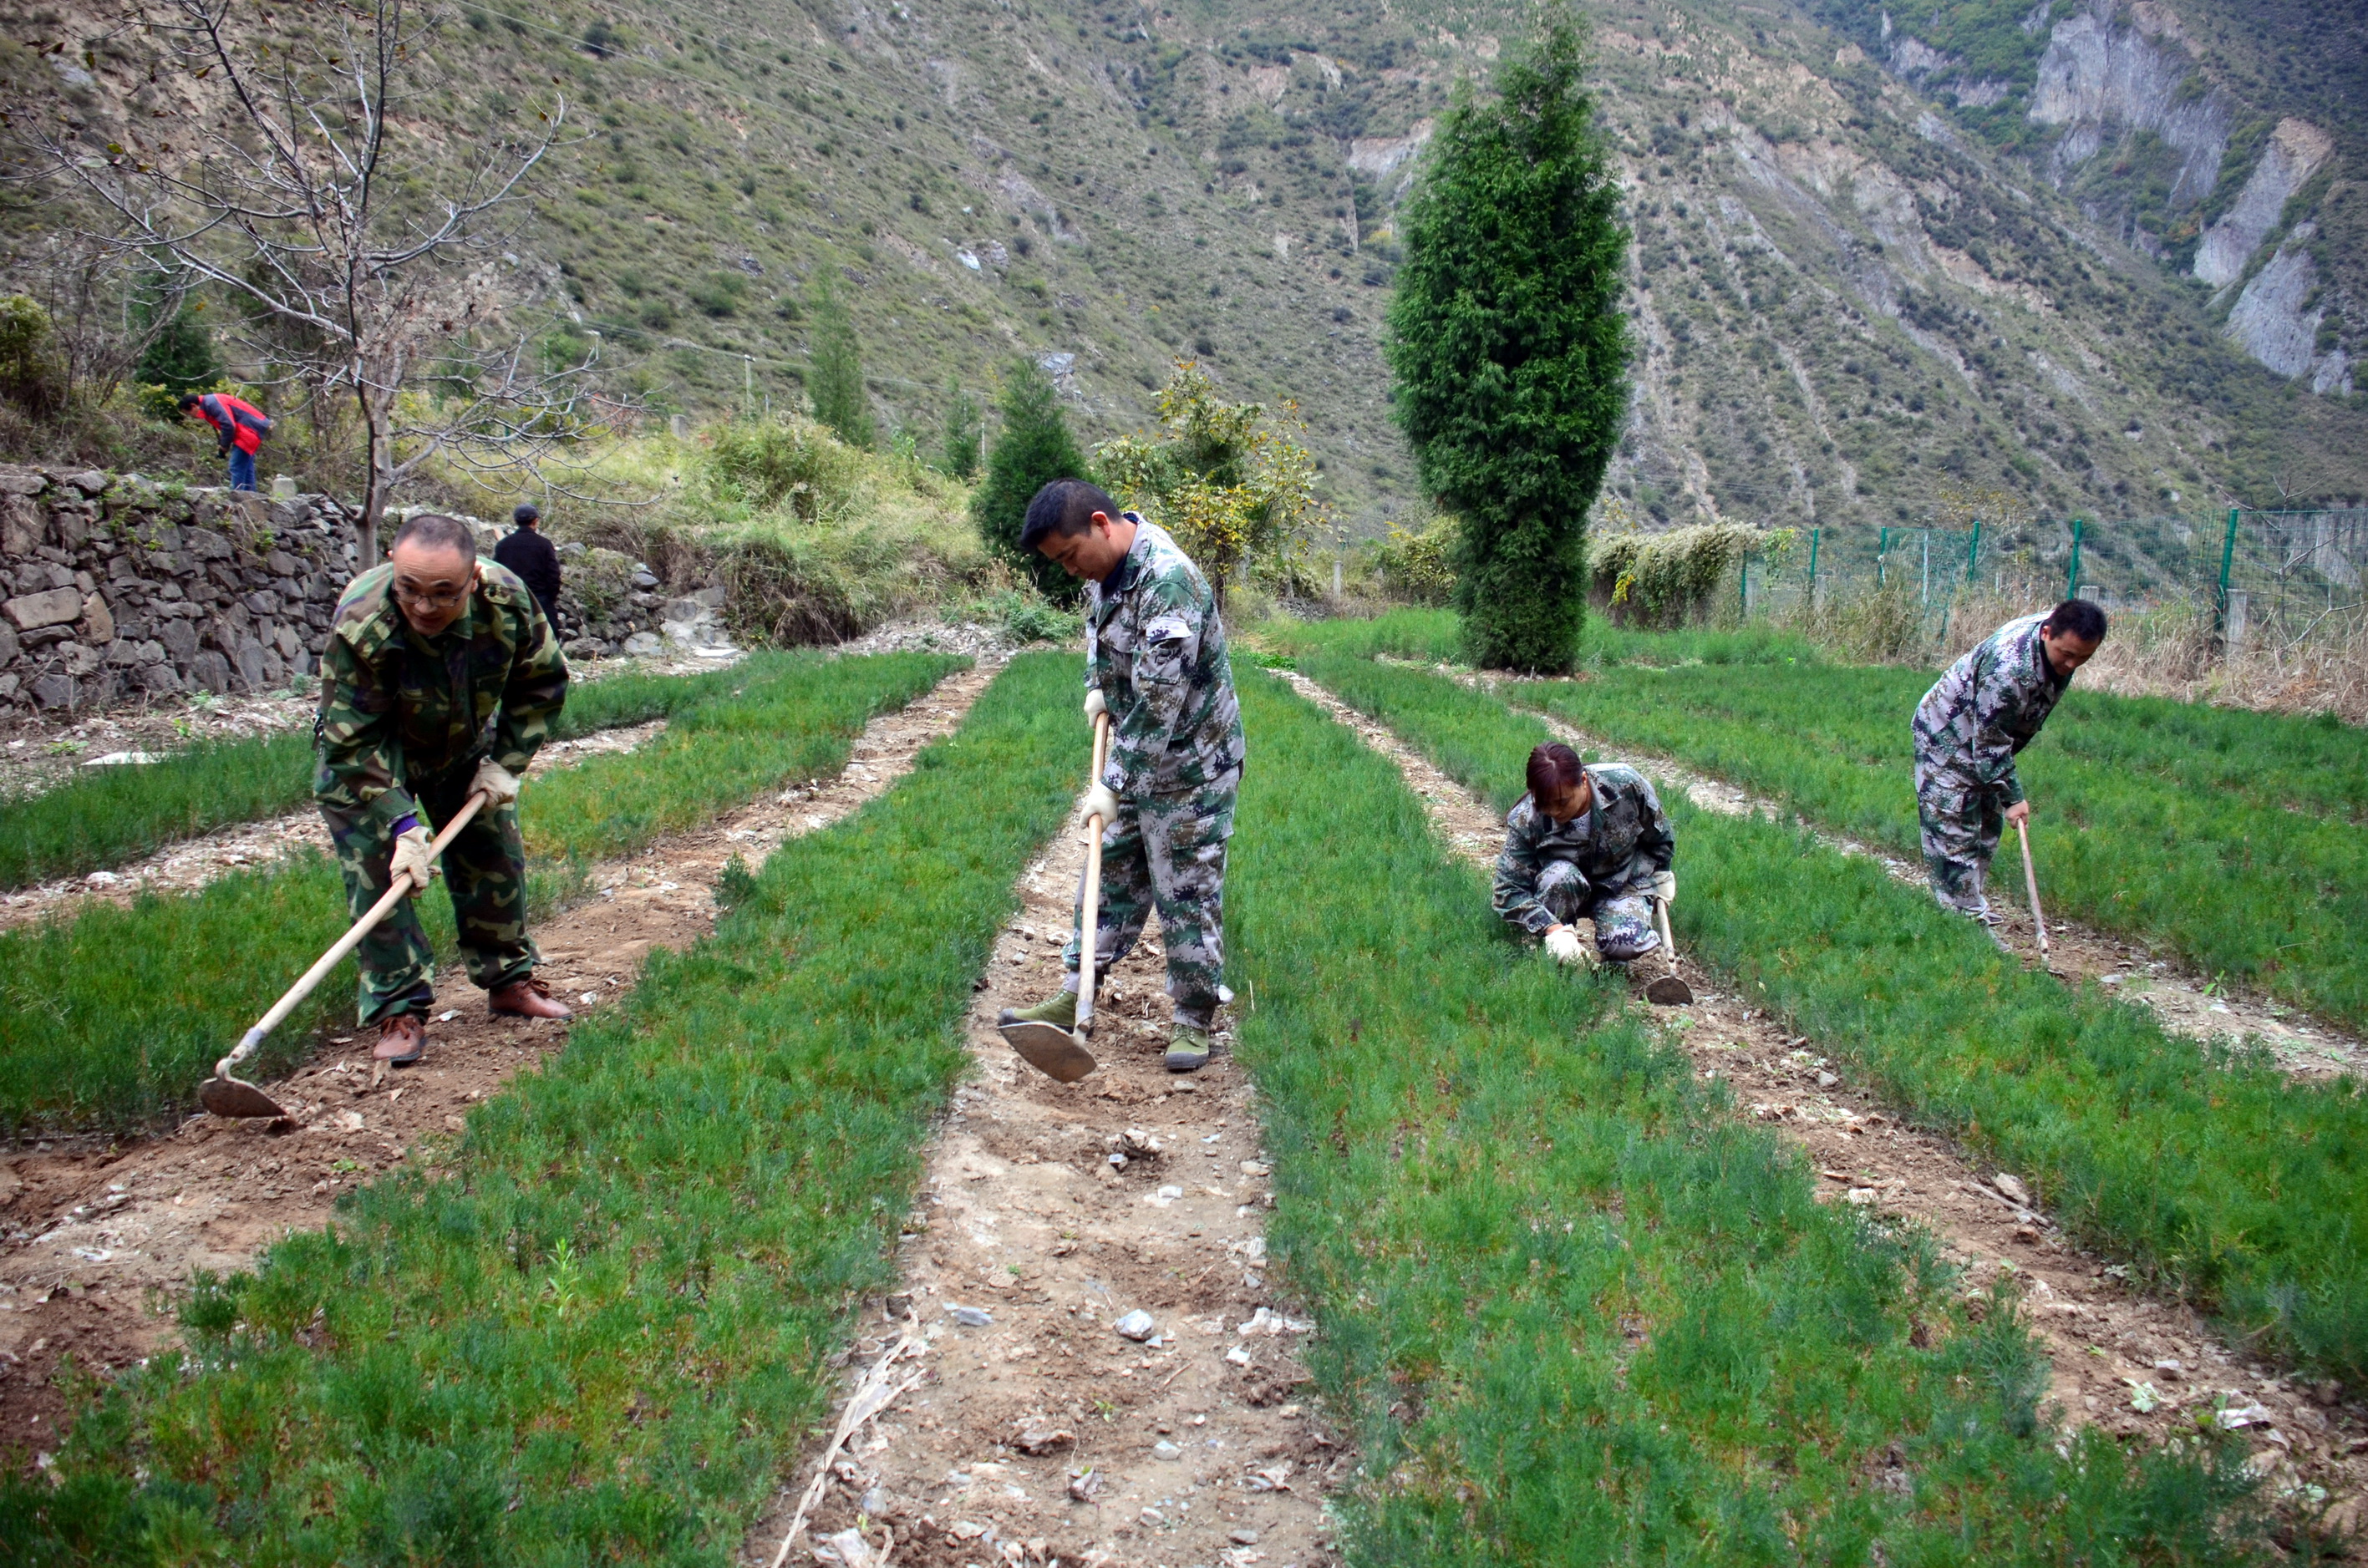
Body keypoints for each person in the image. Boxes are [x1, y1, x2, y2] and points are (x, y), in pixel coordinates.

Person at [998, 480, 1244, 1073]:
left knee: (1185, 890)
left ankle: (1193, 1019)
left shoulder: (1168, 579)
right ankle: (1076, 992)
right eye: (1058, 562)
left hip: (1192, 765)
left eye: (1069, 555)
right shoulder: (1105, 573)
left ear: (1102, 525)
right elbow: (1100, 633)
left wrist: (1112, 783)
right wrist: (1096, 685)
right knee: (1105, 874)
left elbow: (1161, 700)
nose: (1069, 570)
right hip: (1139, 750)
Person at [314, 512, 574, 1064]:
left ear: (472, 581)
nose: (424, 606)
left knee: (493, 854)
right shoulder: (364, 621)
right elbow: (350, 738)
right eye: (410, 589)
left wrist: (506, 763)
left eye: (442, 593)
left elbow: (543, 681)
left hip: (460, 746)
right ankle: (398, 1008)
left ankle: (509, 981)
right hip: (369, 760)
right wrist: (402, 823)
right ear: (392, 567)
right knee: (380, 877)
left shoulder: (506, 604)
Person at [1911, 598, 2107, 931]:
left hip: (1986, 735)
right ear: (2046, 633)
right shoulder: (2010, 670)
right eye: (2067, 654)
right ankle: (1961, 925)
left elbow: (1994, 741)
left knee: (1988, 826)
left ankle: (1968, 903)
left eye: (2084, 658)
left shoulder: (2059, 630)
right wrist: (2014, 798)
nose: (2072, 665)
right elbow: (1989, 743)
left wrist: (2002, 797)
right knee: (1954, 829)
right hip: (1947, 735)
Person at [1494, 742, 1676, 968]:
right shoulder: (1526, 819)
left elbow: (1658, 833)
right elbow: (1508, 890)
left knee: (1626, 943)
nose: (1554, 812)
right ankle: (1559, 957)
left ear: (1583, 781)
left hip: (1620, 883)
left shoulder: (1624, 784)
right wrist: (1552, 930)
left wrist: (1662, 871)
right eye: (1544, 804)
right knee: (1559, 875)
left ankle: (1613, 962)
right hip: (1562, 888)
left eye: (1562, 802)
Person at [178, 390, 272, 492]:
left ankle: (237, 497)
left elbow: (228, 425)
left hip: (249, 430)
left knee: (236, 465)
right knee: (246, 467)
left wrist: (224, 446)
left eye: (188, 413)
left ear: (193, 406)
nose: (190, 416)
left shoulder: (212, 403)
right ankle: (251, 496)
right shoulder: (208, 404)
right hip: (249, 429)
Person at [493, 502, 564, 628]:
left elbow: (496, 574)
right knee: (546, 641)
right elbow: (553, 575)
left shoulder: (503, 545)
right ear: (535, 521)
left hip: (511, 601)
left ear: (516, 521)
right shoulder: (544, 545)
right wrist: (550, 599)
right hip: (539, 600)